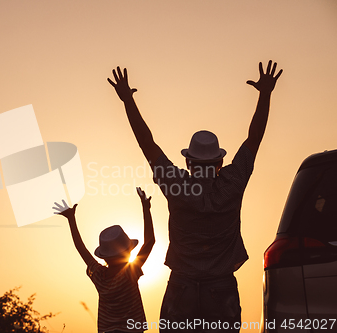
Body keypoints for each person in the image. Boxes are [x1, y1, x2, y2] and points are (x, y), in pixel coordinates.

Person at [108, 61, 283, 332]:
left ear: (189, 163)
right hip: (221, 288)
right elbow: (254, 138)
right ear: (219, 163)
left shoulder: (177, 185)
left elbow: (147, 143)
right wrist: (265, 94)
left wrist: (127, 100)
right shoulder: (233, 182)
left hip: (181, 288)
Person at [53, 187, 155, 333]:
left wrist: (71, 219)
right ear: (128, 252)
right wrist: (146, 208)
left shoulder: (99, 276)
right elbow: (150, 242)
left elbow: (80, 248)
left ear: (104, 256)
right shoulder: (129, 273)